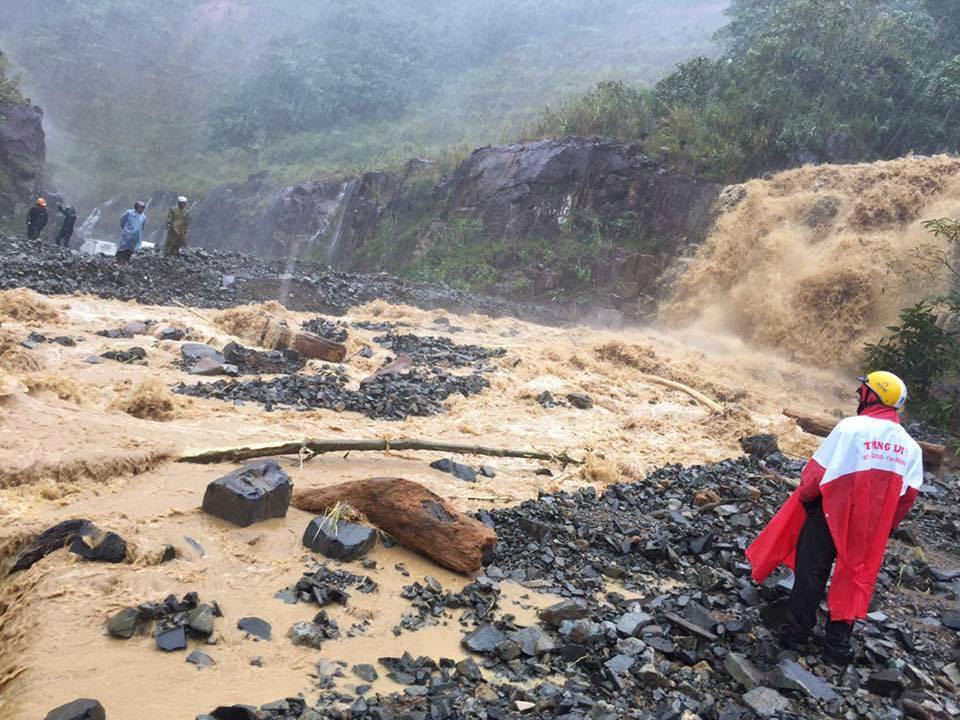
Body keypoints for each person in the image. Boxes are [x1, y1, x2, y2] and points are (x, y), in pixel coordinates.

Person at [746, 371, 923, 665]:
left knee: (811, 572)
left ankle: (796, 633)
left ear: (873, 396)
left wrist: (805, 498)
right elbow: (907, 496)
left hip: (830, 514)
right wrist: (887, 526)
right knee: (856, 576)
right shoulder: (911, 447)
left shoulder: (850, 428)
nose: (858, 393)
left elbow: (815, 474)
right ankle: (837, 646)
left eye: (862, 390)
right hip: (872, 524)